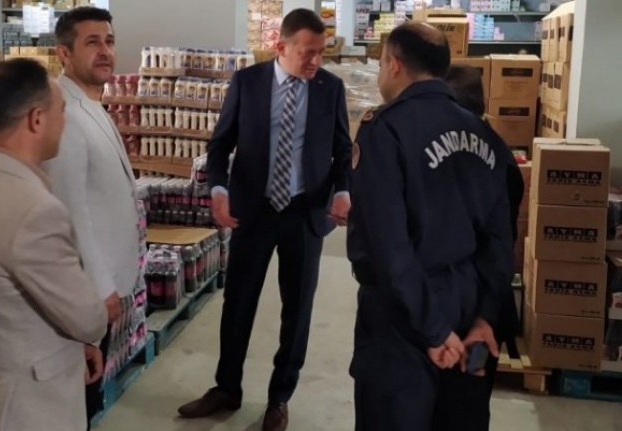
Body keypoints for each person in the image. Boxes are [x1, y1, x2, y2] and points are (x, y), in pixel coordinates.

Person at [178, 8, 352, 431]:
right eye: (307, 52)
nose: (316, 61)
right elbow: (220, 145)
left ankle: (279, 398)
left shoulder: (330, 88)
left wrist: (344, 190)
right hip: (253, 212)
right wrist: (218, 190)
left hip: (304, 212)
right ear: (281, 46)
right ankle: (227, 388)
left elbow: (342, 149)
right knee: (238, 303)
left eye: (321, 52)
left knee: (298, 310)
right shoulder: (248, 82)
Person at [0, 58, 121, 431]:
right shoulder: (35, 211)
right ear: (37, 119)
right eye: (61, 112)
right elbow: (86, 317)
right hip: (27, 406)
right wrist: (95, 322)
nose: (64, 123)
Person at [347, 22, 515, 431]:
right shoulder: (487, 137)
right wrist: (485, 318)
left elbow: (389, 248)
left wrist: (435, 330)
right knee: (461, 418)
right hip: (471, 317)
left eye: (382, 64)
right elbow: (500, 240)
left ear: (394, 65)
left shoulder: (385, 130)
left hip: (404, 320)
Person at [43, 7, 140, 427]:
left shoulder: (92, 104)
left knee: (88, 392)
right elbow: (70, 211)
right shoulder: (63, 114)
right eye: (92, 42)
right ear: (63, 53)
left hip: (103, 284)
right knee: (78, 398)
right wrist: (101, 287)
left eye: (109, 41)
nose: (105, 51)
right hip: (85, 291)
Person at [439, 63, 525, 430]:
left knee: (460, 407)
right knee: (469, 404)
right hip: (484, 312)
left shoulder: (470, 157)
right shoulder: (499, 151)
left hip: (472, 314)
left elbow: (496, 245)